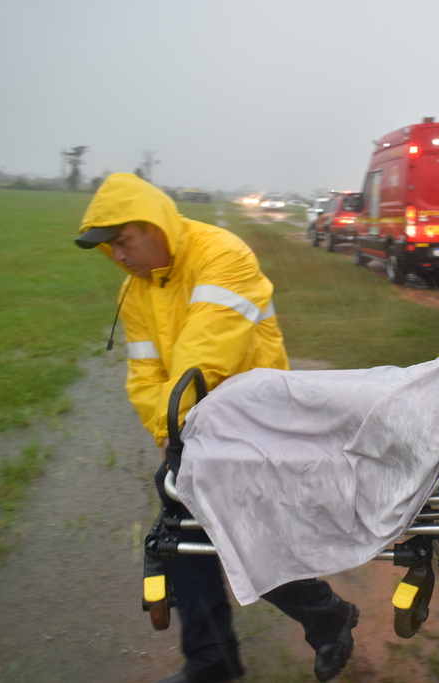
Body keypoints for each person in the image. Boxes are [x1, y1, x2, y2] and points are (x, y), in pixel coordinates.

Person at [75, 173, 358, 683]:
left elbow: (200, 363)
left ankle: (237, 651)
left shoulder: (223, 256)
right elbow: (144, 375)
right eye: (110, 248)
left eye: (123, 241)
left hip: (259, 418)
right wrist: (168, 436)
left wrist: (175, 431)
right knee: (197, 523)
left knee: (212, 527)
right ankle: (275, 635)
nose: (118, 256)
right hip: (195, 430)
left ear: (152, 224)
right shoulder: (135, 290)